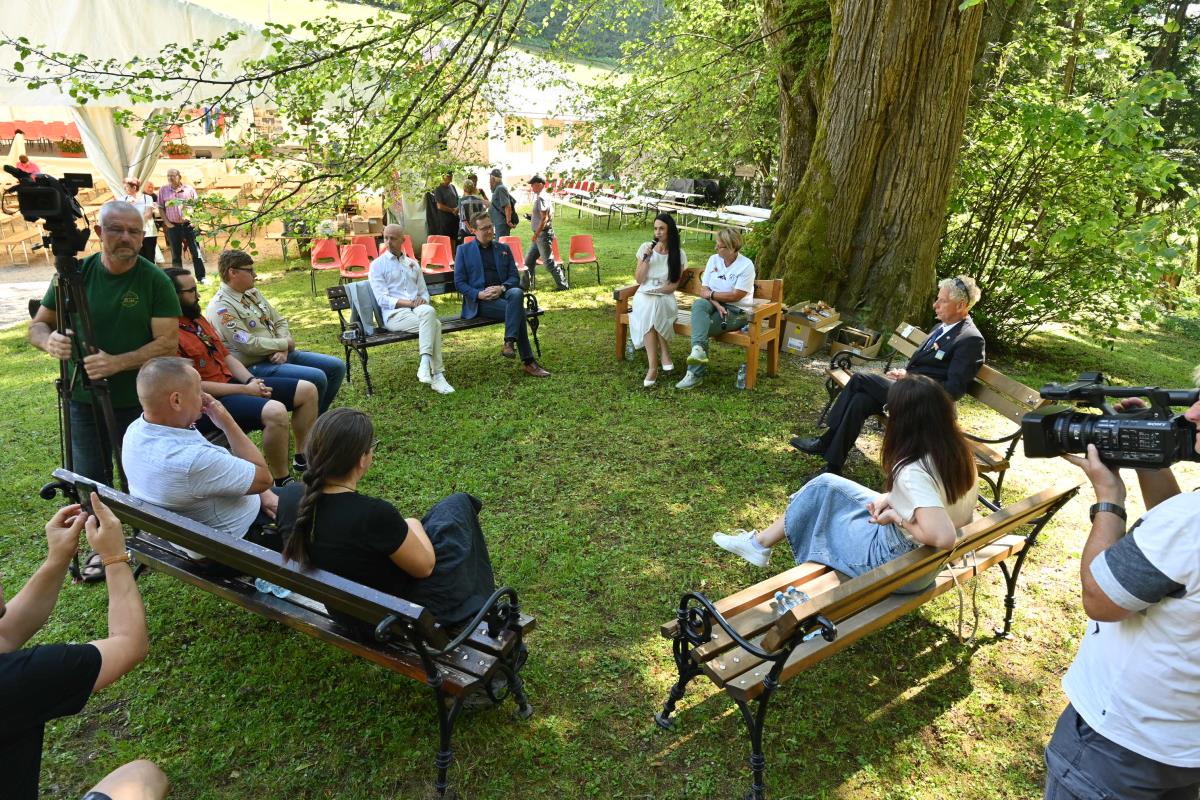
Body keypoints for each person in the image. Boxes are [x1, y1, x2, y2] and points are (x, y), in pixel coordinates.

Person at [1043, 401, 1200, 799]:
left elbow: (1101, 598)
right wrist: (1145, 454)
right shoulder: (1184, 525)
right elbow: (1172, 552)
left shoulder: (1190, 522)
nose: (1193, 414)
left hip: (1116, 747)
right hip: (1183, 746)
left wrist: (1109, 500)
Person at [713, 375, 976, 578]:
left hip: (895, 563)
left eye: (889, 409)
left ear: (906, 420)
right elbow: (942, 508)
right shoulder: (958, 452)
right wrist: (893, 499)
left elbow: (944, 538)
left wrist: (897, 516)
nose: (888, 415)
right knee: (824, 484)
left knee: (824, 515)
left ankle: (760, 545)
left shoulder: (912, 470)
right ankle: (759, 544)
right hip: (924, 563)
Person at [277, 408, 499, 637]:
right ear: (362, 459)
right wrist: (412, 523)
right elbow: (425, 567)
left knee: (448, 515)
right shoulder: (373, 514)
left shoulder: (290, 497)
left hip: (344, 611)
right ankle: (485, 614)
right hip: (394, 619)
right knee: (458, 507)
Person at [0, 495, 167, 800]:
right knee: (143, 776)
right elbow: (130, 644)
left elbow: (5, 635)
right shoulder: (18, 680)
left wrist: (58, 558)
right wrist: (115, 557)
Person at [28, 202, 180, 483]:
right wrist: (49, 341)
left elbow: (168, 344)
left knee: (141, 482)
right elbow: (38, 325)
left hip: (140, 401)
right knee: (90, 482)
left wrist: (116, 363)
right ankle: (99, 525)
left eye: (134, 231)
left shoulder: (155, 280)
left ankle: (141, 529)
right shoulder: (73, 275)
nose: (125, 237)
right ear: (99, 231)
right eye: (116, 229)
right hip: (82, 400)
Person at [791, 275, 985, 476]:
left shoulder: (970, 339)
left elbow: (952, 390)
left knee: (859, 379)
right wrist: (907, 373)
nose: (935, 305)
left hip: (926, 405)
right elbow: (928, 367)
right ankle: (833, 466)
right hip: (909, 390)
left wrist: (911, 380)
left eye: (942, 301)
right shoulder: (940, 328)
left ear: (961, 305)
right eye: (937, 298)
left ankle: (825, 440)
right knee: (860, 400)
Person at [167, 268, 317, 485]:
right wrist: (246, 389)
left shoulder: (197, 319)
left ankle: (302, 457)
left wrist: (250, 381)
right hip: (207, 403)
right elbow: (194, 386)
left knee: (307, 390)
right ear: (173, 295)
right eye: (191, 291)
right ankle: (280, 479)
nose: (197, 295)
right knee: (275, 411)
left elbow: (226, 356)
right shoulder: (168, 334)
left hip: (234, 383)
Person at [122, 357, 280, 552]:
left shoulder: (136, 430)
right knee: (308, 496)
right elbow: (264, 479)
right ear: (177, 400)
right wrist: (227, 422)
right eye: (198, 390)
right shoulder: (191, 460)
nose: (205, 396)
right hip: (233, 544)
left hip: (191, 534)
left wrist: (262, 493)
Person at [205, 249, 345, 420]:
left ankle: (316, 420)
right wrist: (284, 344)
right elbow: (248, 344)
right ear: (232, 272)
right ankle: (313, 426)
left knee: (336, 366)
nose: (255, 275)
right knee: (317, 377)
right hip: (255, 365)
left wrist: (283, 348)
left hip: (280, 354)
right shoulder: (221, 308)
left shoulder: (252, 294)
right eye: (249, 271)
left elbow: (279, 321)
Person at [454, 212, 551, 378]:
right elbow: (460, 283)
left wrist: (501, 288)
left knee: (516, 292)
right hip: (481, 302)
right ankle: (528, 362)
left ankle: (509, 342)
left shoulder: (503, 249)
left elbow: (514, 277)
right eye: (484, 229)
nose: (490, 231)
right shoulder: (463, 251)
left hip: (503, 295)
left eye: (490, 227)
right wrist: (479, 294)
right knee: (518, 312)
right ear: (473, 230)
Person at [368, 225, 455, 394]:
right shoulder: (377, 265)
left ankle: (424, 364)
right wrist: (409, 303)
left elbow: (423, 292)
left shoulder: (412, 264)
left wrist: (423, 299)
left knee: (429, 312)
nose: (388, 242)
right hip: (395, 315)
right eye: (386, 238)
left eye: (393, 238)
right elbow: (382, 299)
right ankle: (437, 375)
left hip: (418, 310)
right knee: (435, 325)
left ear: (403, 240)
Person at [675, 227, 755, 390]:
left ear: (732, 247)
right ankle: (698, 352)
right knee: (698, 304)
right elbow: (704, 290)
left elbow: (736, 296)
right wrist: (715, 301)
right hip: (712, 304)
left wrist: (711, 296)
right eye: (717, 244)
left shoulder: (746, 265)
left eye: (720, 246)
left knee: (700, 328)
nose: (716, 248)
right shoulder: (714, 259)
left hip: (735, 311)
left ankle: (695, 374)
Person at [630, 213, 687, 387]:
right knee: (649, 305)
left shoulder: (679, 254)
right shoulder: (646, 248)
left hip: (665, 296)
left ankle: (658, 361)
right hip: (644, 295)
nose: (658, 232)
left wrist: (659, 290)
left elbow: (673, 286)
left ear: (670, 230)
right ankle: (655, 363)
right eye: (655, 229)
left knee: (655, 304)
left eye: (662, 228)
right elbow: (639, 280)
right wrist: (646, 259)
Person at [157, 168, 206, 282]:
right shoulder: (163, 190)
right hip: (173, 226)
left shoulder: (189, 189)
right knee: (175, 254)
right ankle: (178, 279)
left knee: (196, 252)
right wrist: (167, 223)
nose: (170, 178)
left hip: (189, 225)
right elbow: (161, 207)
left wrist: (195, 221)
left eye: (173, 175)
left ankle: (201, 277)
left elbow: (197, 206)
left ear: (179, 177)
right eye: (168, 176)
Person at [522, 175, 569, 291]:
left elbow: (544, 218)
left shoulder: (542, 198)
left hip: (542, 235)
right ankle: (524, 286)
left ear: (540, 184)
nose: (532, 187)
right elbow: (541, 216)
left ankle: (563, 285)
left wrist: (536, 234)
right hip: (540, 235)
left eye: (533, 185)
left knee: (548, 262)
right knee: (529, 261)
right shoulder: (543, 196)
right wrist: (531, 217)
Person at [119, 176, 159, 262]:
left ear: (134, 187)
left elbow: (148, 214)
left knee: (150, 257)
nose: (124, 189)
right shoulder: (122, 199)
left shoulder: (147, 198)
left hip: (148, 232)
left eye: (126, 187)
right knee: (137, 258)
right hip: (132, 233)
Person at [487, 168, 517, 238]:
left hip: (501, 224)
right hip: (498, 224)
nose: (489, 182)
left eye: (490, 179)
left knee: (501, 245)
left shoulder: (500, 188)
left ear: (493, 179)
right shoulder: (497, 189)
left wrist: (508, 221)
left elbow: (507, 206)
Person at [458, 176, 487, 245]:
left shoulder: (461, 201)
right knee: (477, 247)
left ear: (464, 188)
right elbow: (482, 214)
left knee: (466, 248)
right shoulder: (479, 200)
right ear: (473, 188)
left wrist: (470, 228)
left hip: (465, 230)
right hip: (477, 228)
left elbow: (463, 217)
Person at [432, 171, 460, 246]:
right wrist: (452, 210)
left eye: (451, 175)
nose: (450, 177)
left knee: (454, 237)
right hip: (445, 219)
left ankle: (453, 255)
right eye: (448, 175)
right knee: (446, 239)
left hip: (455, 217)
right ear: (443, 176)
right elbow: (439, 206)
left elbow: (458, 200)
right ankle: (447, 255)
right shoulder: (438, 188)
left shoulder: (452, 187)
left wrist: (457, 209)